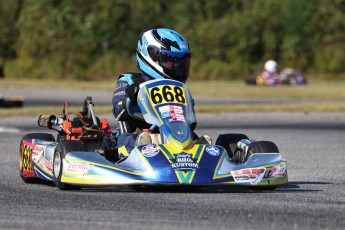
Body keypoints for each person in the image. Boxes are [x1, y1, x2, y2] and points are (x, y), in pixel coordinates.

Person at [112, 28, 210, 159]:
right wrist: (131, 97)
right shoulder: (130, 81)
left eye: (181, 62)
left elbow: (190, 122)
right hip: (141, 133)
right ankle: (140, 149)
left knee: (193, 138)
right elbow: (118, 111)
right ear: (152, 55)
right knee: (127, 139)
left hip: (173, 135)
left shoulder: (179, 88)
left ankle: (202, 153)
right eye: (172, 60)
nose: (177, 66)